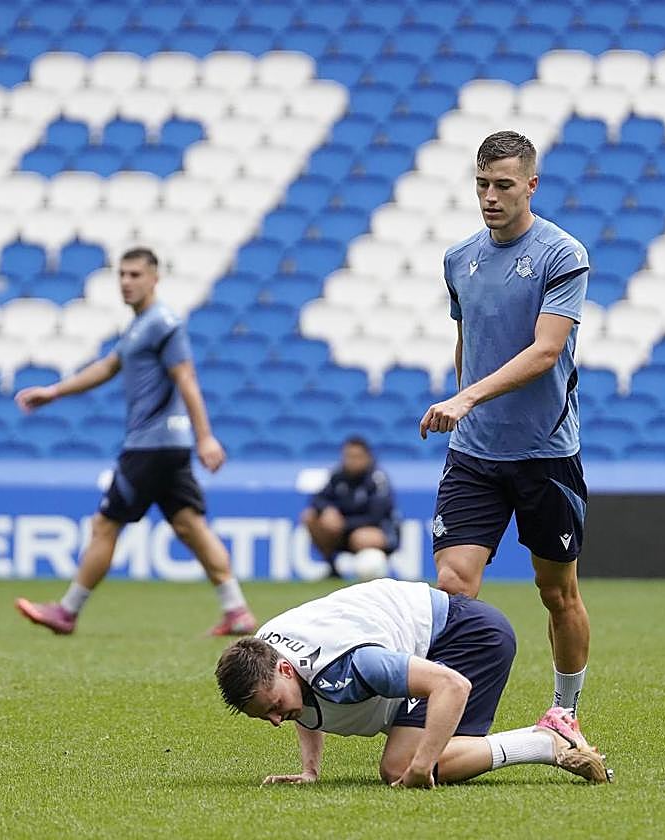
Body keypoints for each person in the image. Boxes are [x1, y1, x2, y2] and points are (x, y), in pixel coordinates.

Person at [417, 131, 593, 719]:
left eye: (504, 185)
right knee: (452, 587)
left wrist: (465, 397)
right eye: (482, 185)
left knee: (557, 593)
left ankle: (564, 711)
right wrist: (466, 404)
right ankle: (451, 713)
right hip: (475, 455)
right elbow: (468, 340)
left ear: (532, 185)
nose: (490, 197)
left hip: (545, 454)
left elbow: (545, 351)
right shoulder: (457, 259)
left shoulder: (562, 255)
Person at [13, 247, 256, 637]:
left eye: (135, 275)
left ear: (154, 278)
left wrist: (206, 437)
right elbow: (107, 367)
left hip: (149, 446)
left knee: (105, 526)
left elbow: (187, 380)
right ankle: (237, 610)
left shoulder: (162, 323)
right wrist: (55, 392)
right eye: (122, 275)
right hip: (166, 446)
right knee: (190, 525)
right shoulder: (140, 327)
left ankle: (67, 611)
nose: (126, 282)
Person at [215, 578, 611, 787]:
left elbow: (451, 685)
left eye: (272, 707)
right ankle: (542, 739)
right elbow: (301, 704)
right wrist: (310, 770)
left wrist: (423, 767)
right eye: (263, 716)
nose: (276, 720)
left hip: (466, 637)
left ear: (285, 669)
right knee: (405, 759)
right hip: (429, 634)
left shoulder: (349, 666)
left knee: (400, 767)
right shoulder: (268, 653)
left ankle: (545, 741)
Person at [300, 436, 400, 578]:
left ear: (368, 457)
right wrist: (328, 510)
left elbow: (376, 516)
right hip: (345, 531)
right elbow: (317, 499)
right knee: (310, 517)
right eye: (348, 456)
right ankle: (332, 568)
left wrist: (343, 523)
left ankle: (376, 572)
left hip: (378, 530)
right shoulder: (338, 475)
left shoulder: (377, 479)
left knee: (361, 537)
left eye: (357, 457)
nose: (352, 461)